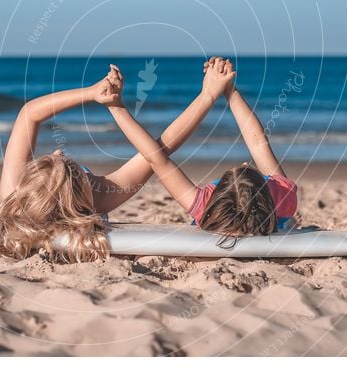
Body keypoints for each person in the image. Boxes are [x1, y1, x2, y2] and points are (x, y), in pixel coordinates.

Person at [0, 60, 233, 262]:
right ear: (83, 190)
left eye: (51, 159)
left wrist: (92, 93)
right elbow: (160, 150)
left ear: (30, 182)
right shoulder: (98, 197)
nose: (59, 153)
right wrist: (208, 96)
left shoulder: (15, 191)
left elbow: (29, 114)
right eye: (71, 167)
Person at [105, 58, 298, 240]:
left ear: (215, 195)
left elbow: (156, 158)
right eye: (249, 168)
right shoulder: (282, 195)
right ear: (267, 191)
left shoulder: (205, 206)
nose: (246, 162)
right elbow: (258, 144)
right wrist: (230, 90)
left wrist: (116, 107)